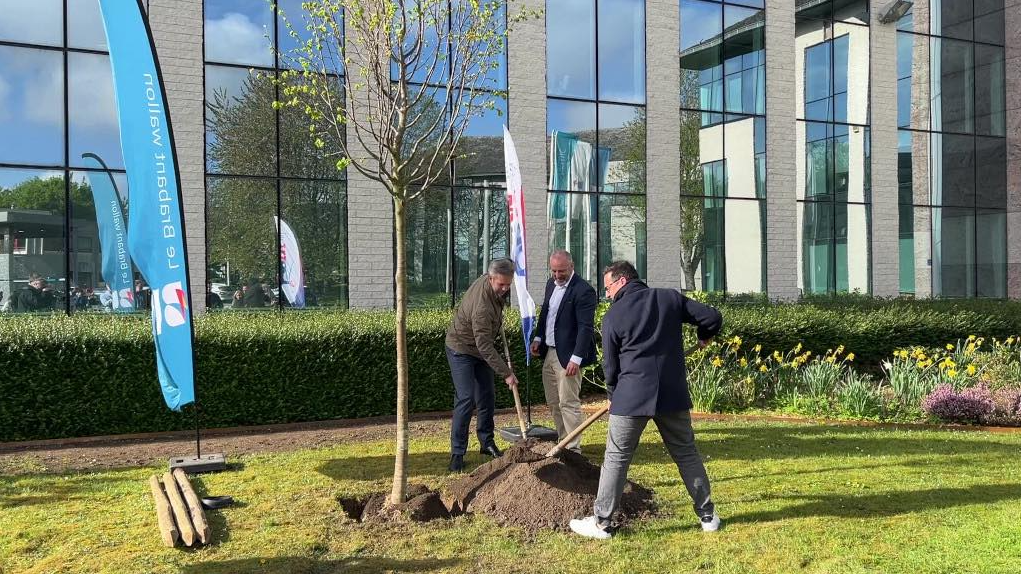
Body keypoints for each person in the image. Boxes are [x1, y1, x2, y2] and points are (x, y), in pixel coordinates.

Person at [570, 260, 724, 539]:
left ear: (622, 281)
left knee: (616, 459)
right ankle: (708, 516)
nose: (607, 294)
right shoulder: (669, 298)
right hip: (672, 395)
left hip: (630, 397)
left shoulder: (613, 316)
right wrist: (704, 336)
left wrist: (613, 395)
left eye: (608, 287)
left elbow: (611, 367)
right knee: (686, 454)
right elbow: (712, 318)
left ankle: (601, 523)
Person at [445, 258, 520, 472]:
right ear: (490, 279)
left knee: (487, 396)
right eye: (501, 285)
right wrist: (506, 374)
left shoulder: (493, 286)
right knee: (466, 398)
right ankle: (457, 453)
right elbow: (484, 346)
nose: (505, 289)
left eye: (508, 284)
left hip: (480, 348)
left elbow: (485, 345)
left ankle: (486, 442)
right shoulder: (482, 307)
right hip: (461, 348)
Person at [530, 250, 597, 454]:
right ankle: (563, 442)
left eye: (562, 271)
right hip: (549, 352)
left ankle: (574, 449)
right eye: (554, 271)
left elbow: (586, 327)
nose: (558, 275)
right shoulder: (551, 285)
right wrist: (538, 338)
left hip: (569, 357)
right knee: (553, 402)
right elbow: (546, 315)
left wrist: (576, 359)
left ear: (572, 266)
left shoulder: (584, 290)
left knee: (568, 402)